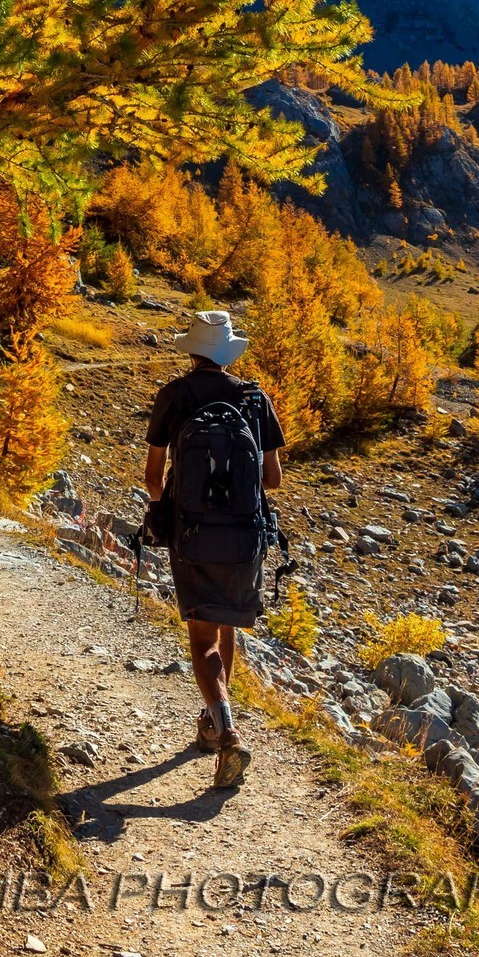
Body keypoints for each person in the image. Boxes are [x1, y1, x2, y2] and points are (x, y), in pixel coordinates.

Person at [144, 308, 283, 790]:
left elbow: (152, 481)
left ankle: (226, 733)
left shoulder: (175, 395)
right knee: (227, 626)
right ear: (227, 351)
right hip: (246, 539)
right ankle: (210, 722)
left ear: (194, 350)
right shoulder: (253, 398)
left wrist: (175, 506)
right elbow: (273, 479)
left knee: (201, 637)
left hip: (193, 536)